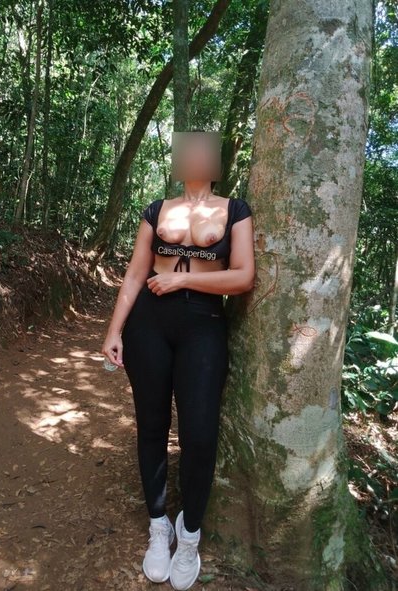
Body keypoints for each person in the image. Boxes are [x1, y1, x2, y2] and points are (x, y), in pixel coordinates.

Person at [101, 132, 255, 590]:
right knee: (150, 425)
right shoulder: (157, 209)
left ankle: (189, 535)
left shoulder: (236, 210)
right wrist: (113, 330)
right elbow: (136, 273)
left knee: (199, 434)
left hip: (203, 325)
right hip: (148, 323)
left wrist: (181, 282)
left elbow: (243, 276)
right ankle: (158, 526)